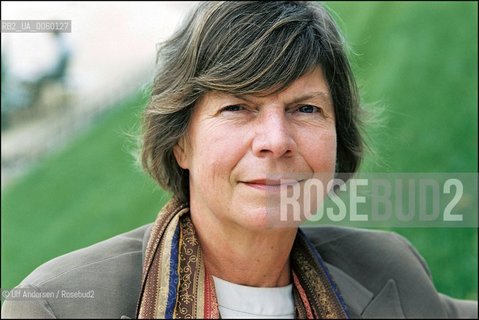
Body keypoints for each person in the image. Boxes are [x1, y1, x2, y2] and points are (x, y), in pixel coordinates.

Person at [1, 1, 477, 319]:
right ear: (179, 143)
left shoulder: (386, 267)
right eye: (237, 108)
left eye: (305, 109)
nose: (275, 140)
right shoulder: (53, 308)